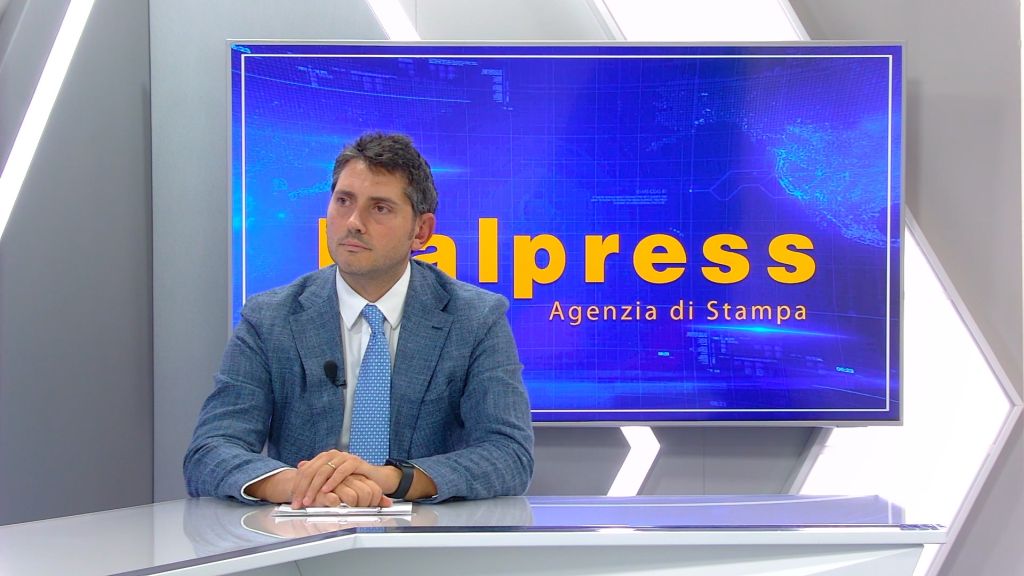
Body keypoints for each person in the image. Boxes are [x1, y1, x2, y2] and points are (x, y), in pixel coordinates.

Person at [184, 132, 534, 508]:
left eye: (379, 208)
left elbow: (509, 455)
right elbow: (210, 451)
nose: (353, 222)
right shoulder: (269, 319)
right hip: (305, 533)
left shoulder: (476, 319)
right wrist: (301, 485)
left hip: (427, 535)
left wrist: (392, 480)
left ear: (421, 231)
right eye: (343, 201)